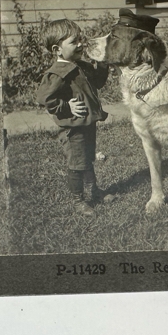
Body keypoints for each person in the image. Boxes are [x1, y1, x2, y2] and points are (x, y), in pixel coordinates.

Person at [36, 19, 113, 214]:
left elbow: (98, 82)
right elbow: (44, 98)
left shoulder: (82, 66)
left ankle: (94, 191)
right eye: (73, 42)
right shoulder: (56, 74)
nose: (80, 44)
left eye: (80, 39)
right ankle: (78, 201)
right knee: (77, 163)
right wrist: (66, 106)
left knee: (87, 158)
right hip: (73, 128)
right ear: (57, 49)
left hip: (87, 123)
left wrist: (102, 64)